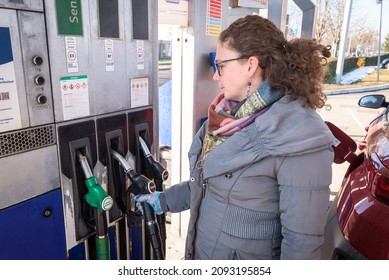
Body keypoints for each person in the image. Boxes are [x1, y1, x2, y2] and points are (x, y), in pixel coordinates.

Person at [135, 14, 335, 260]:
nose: (215, 76)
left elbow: (302, 245)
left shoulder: (300, 139)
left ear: (250, 65)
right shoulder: (229, 118)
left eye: (221, 66)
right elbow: (207, 185)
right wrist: (163, 200)